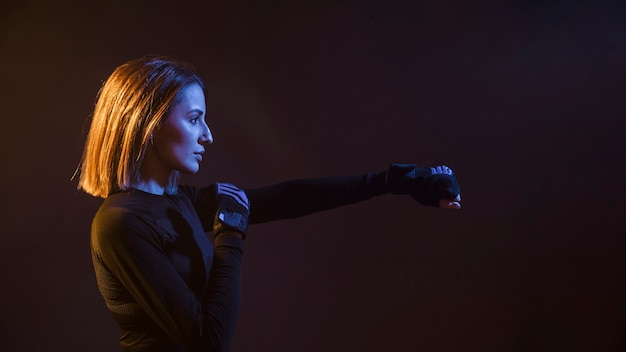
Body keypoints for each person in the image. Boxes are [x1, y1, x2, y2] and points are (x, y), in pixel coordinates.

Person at [77, 55, 462, 352]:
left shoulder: (178, 201)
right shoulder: (121, 224)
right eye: (195, 119)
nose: (208, 136)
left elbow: (286, 198)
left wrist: (398, 181)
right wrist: (230, 233)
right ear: (149, 124)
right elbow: (209, 341)